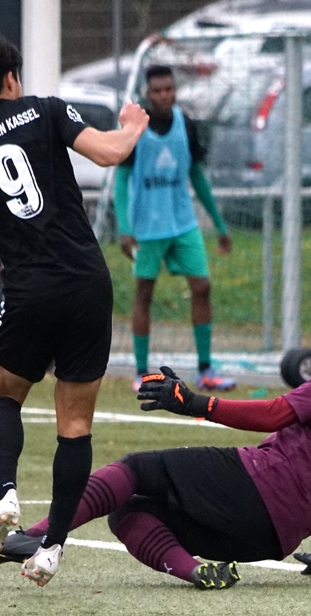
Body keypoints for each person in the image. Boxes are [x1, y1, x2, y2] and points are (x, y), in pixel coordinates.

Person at [0, 309, 311, 590]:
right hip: (274, 538)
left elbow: (277, 413)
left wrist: (194, 403)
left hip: (264, 486)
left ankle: (40, 535)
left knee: (134, 469)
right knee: (126, 511)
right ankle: (195, 571)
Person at [0, 27, 149, 587]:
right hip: (85, 284)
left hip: (29, 291)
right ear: (11, 78)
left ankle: (6, 496)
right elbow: (109, 153)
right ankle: (51, 548)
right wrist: (131, 126)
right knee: (74, 423)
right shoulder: (46, 111)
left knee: (4, 392)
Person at [113, 64, 236, 394]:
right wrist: (125, 228)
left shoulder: (188, 125)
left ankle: (206, 369)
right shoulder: (137, 129)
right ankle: (141, 371)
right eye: (157, 90)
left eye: (169, 89)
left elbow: (197, 176)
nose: (164, 95)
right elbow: (122, 181)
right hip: (148, 228)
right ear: (147, 94)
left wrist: (220, 224)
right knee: (144, 294)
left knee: (202, 287)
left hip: (183, 223)